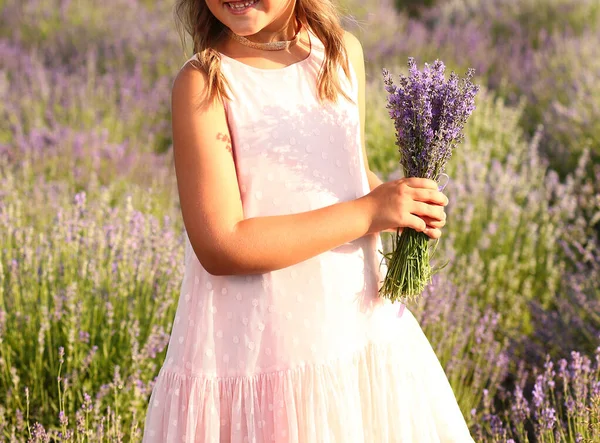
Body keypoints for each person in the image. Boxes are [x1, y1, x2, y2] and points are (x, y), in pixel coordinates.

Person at [142, 0, 475, 441]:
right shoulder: (205, 82)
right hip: (262, 352)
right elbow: (222, 244)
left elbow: (347, 173)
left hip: (356, 331)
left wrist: (397, 205)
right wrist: (370, 210)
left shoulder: (339, 53)